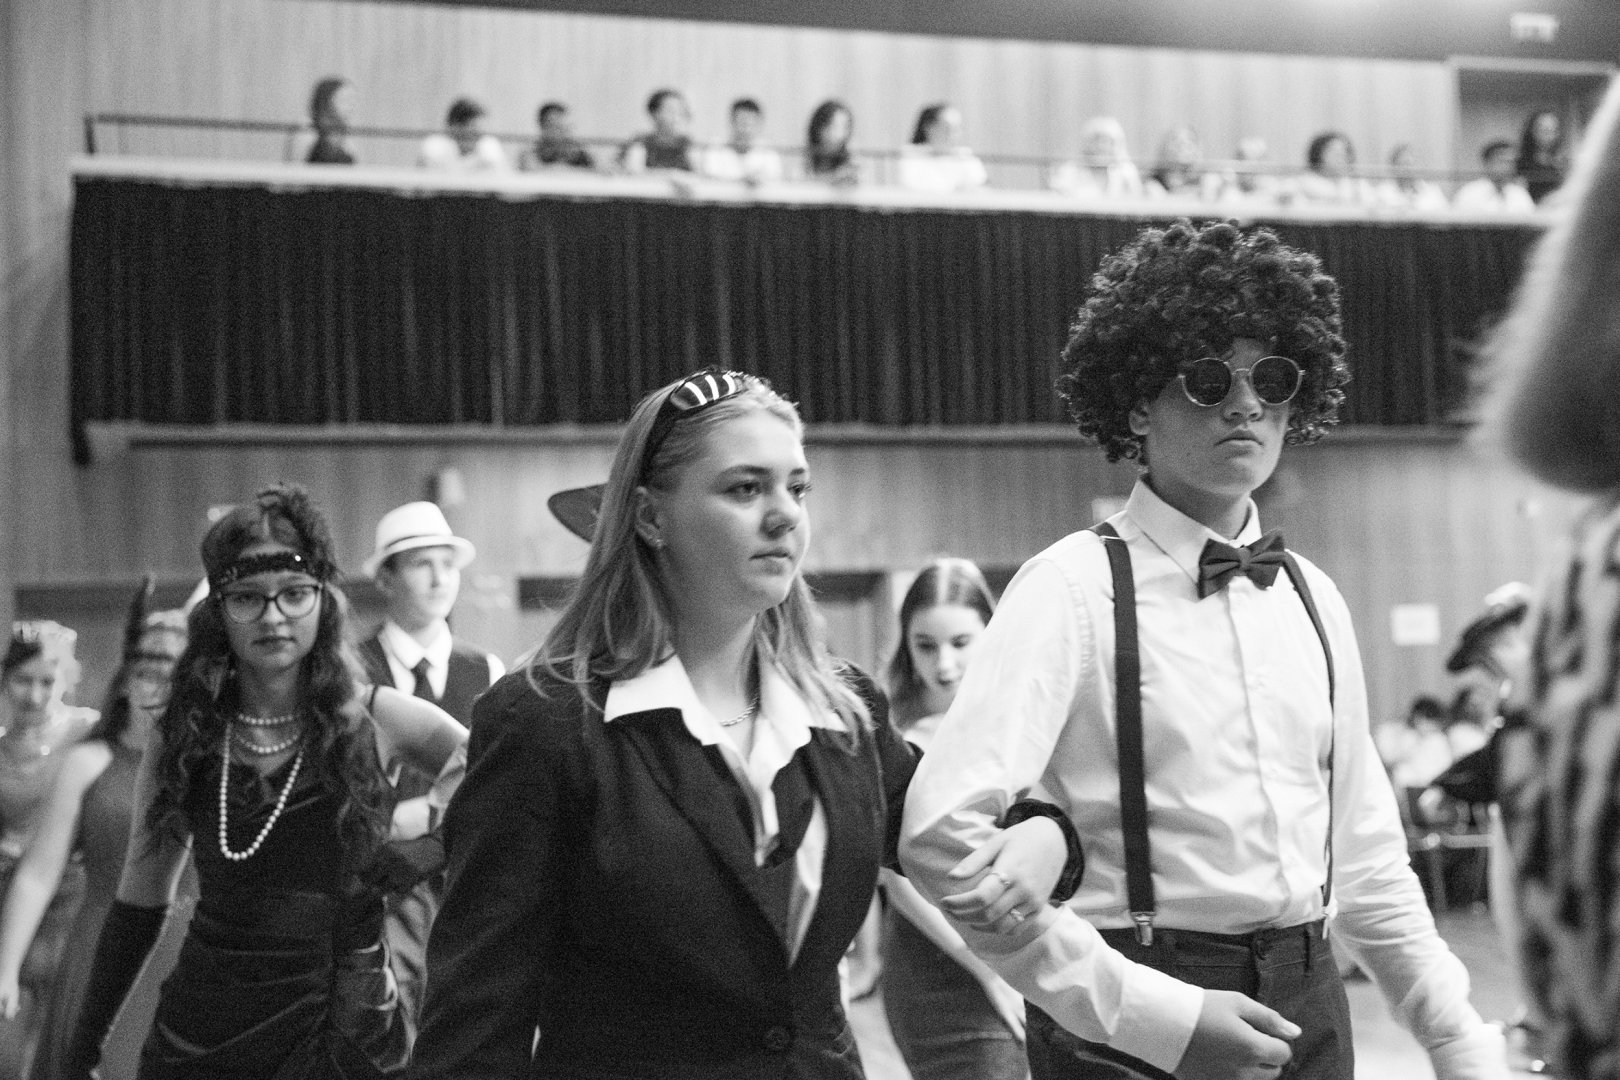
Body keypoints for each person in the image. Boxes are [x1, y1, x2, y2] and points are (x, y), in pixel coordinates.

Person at [902, 219, 1509, 1080]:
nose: (1247, 403)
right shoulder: (1070, 587)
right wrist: (1146, 1013)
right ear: (1136, 405)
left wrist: (1455, 1037)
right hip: (1131, 1021)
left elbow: (1368, 858)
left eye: (1272, 377)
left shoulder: (1313, 597)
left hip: (1312, 1003)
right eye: (1208, 378)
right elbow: (939, 836)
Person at [407, 368, 1077, 1079]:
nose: (785, 515)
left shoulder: (844, 711)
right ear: (650, 518)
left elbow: (956, 827)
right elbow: (473, 1032)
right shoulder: (544, 724)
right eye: (745, 488)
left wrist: (1047, 834)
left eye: (798, 487)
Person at [64, 484, 468, 1080]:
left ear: (323, 602)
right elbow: (139, 901)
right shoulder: (185, 734)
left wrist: (436, 843)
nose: (273, 616)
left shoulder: (381, 717)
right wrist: (82, 1052)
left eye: (294, 594)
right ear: (219, 613)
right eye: (248, 598)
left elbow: (502, 768)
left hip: (343, 1029)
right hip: (207, 1029)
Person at [0, 583, 185, 1080]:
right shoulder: (87, 762)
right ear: (125, 682)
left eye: (172, 678)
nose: (158, 690)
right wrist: (6, 965)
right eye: (146, 675)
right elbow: (39, 874)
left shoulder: (203, 764)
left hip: (188, 953)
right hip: (101, 948)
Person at [355, 500, 503, 1029]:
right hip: (379, 881)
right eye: (422, 564)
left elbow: (498, 775)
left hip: (462, 879)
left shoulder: (485, 668)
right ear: (386, 579)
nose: (441, 578)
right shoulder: (352, 669)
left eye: (448, 564)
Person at [878, 558, 1027, 1080]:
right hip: (940, 963)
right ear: (906, 646)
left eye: (961, 642)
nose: (943, 664)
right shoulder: (900, 739)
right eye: (925, 645)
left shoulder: (1019, 720)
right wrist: (987, 970)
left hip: (1019, 950)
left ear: (991, 632)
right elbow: (899, 882)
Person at [0, 622, 98, 1076]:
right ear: (6, 680)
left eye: (47, 681)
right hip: (9, 894)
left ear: (66, 681)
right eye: (24, 680)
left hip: (72, 894)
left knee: (67, 1020)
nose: (35, 695)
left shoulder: (88, 730)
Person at [896, 103, 987, 194]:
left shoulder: (964, 155)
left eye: (956, 129)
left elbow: (980, 187)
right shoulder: (912, 155)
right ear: (929, 128)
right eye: (947, 129)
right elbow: (915, 189)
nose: (953, 135)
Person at [1049, 116, 1144, 200]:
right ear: (1086, 143)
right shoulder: (1070, 171)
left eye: (1109, 142)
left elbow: (1136, 202)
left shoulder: (1126, 172)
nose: (1102, 147)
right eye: (1096, 140)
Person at [702, 98, 784, 184]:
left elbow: (775, 184)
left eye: (750, 124)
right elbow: (710, 182)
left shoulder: (768, 152)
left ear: (759, 125)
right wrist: (743, 181)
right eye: (742, 123)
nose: (746, 130)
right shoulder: (716, 148)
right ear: (731, 122)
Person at [419, 97, 508, 172]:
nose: (479, 135)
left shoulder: (489, 147)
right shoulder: (434, 147)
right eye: (473, 128)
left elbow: (502, 181)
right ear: (455, 126)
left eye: (480, 130)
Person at [619, 88, 696, 174]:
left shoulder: (687, 145)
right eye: (671, 110)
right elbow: (629, 172)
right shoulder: (640, 143)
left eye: (681, 111)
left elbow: (699, 174)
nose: (676, 117)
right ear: (655, 114)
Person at [287, 77, 357, 166]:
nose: (351, 106)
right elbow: (294, 168)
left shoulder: (344, 135)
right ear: (327, 101)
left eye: (353, 100)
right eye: (345, 100)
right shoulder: (307, 129)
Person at [1453, 140, 1536, 214]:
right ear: (1487, 163)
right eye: (1502, 161)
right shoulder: (1469, 193)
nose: (1508, 167)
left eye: (1511, 162)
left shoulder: (1520, 194)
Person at [1295, 131, 1375, 206]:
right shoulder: (1303, 183)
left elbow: (1372, 204)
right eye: (1336, 153)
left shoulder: (1356, 184)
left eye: (1345, 153)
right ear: (1319, 155)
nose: (1342, 158)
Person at [1144, 126, 1220, 202]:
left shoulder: (1208, 181)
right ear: (1164, 149)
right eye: (1175, 140)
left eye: (1190, 140)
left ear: (1198, 149)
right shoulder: (1152, 185)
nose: (1182, 145)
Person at [517, 101, 594, 171]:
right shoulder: (531, 153)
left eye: (564, 127)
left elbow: (596, 173)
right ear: (543, 127)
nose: (562, 132)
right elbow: (531, 171)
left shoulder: (579, 153)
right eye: (555, 127)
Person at [1515, 108, 1567, 205]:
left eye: (1554, 130)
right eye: (1544, 130)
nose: (1549, 135)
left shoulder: (1564, 165)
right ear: (1532, 131)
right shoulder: (1518, 164)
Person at [1377, 143, 1450, 212]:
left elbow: (1446, 216)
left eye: (1410, 164)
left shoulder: (1432, 193)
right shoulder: (1383, 193)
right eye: (1402, 164)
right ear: (1393, 167)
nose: (1407, 169)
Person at [805, 99, 858, 185]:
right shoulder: (803, 159)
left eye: (845, 127)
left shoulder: (852, 161)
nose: (841, 135)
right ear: (820, 128)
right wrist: (832, 178)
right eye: (834, 127)